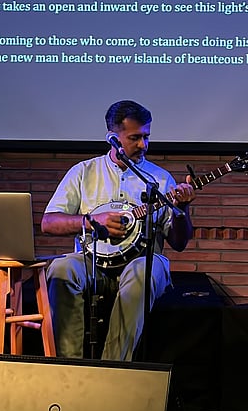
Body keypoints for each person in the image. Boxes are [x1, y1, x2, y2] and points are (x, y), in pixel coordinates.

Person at [42, 100, 196, 361]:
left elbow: (179, 242)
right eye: (135, 138)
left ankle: (112, 368)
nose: (143, 145)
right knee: (61, 269)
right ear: (113, 139)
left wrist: (184, 209)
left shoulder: (158, 179)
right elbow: (48, 223)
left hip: (142, 261)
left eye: (146, 137)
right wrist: (92, 221)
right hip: (92, 262)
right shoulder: (83, 172)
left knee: (142, 271)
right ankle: (68, 366)